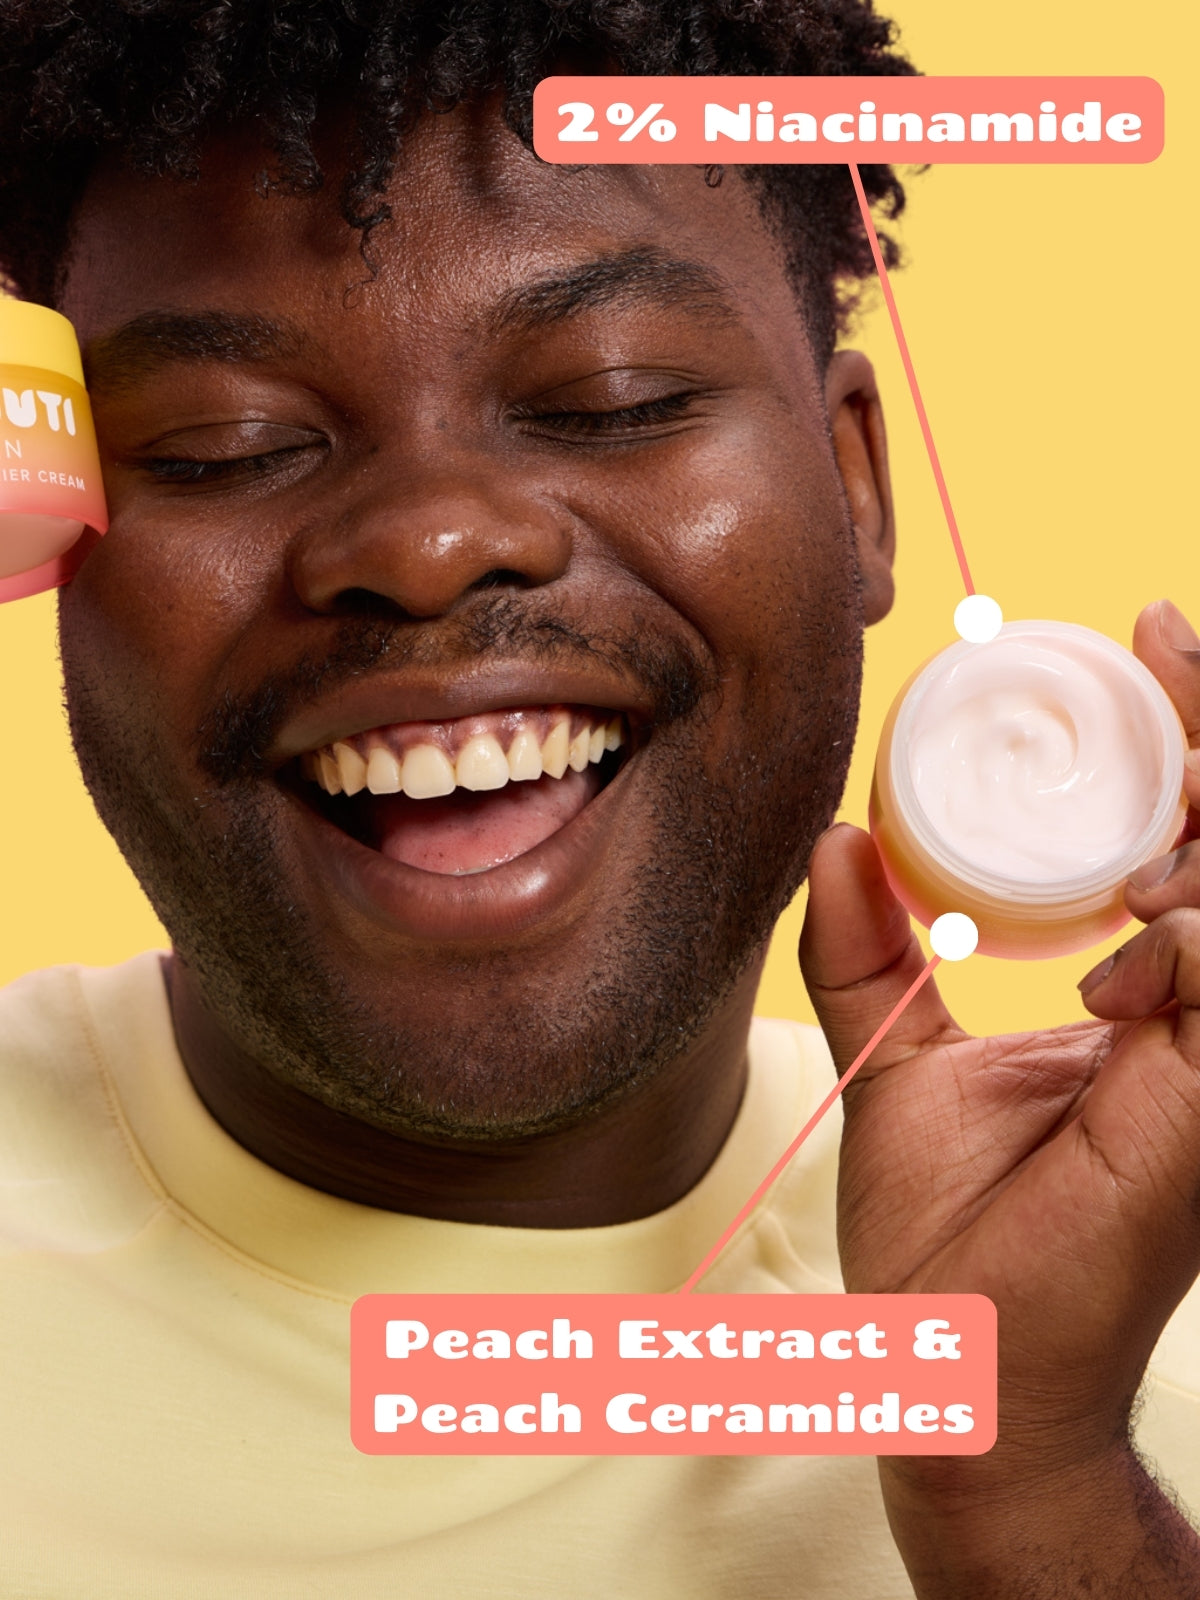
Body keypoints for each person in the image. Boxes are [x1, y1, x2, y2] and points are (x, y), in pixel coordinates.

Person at [0, 2, 1198, 1595]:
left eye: (612, 400)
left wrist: (1025, 1473)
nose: (430, 542)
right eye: (224, 445)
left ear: (856, 489)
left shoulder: (1144, 1297)